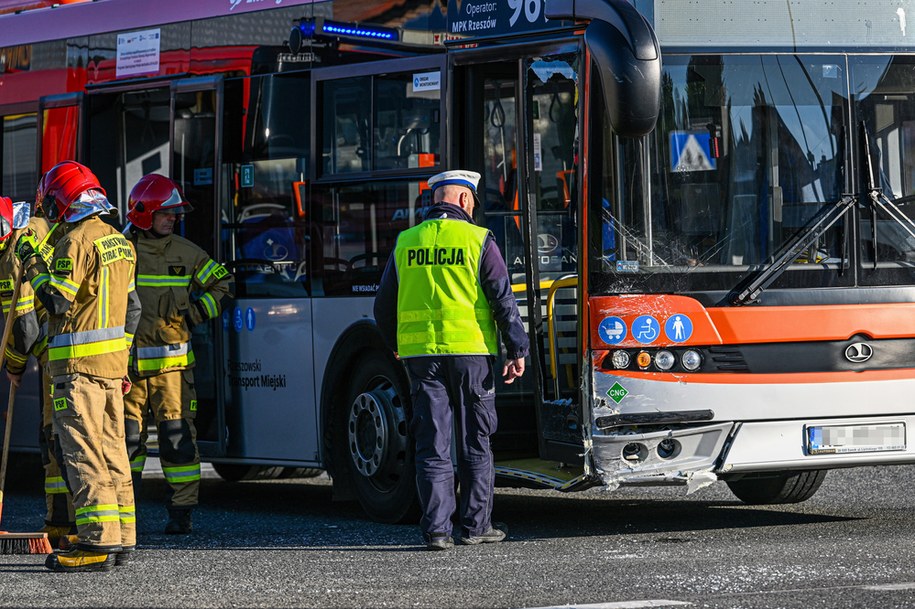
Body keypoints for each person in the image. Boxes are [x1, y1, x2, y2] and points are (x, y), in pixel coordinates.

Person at [373, 169, 529, 551]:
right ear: (463, 200)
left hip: (421, 357)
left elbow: (382, 306)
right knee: (476, 441)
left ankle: (437, 531)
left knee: (432, 442)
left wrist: (397, 343)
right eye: (472, 201)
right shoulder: (478, 240)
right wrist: (517, 349)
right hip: (472, 355)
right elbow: (502, 299)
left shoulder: (406, 242)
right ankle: (476, 526)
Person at [16, 160, 140, 572]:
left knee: (83, 452)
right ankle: (121, 538)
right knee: (113, 451)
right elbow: (133, 309)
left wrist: (32, 262)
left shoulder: (76, 242)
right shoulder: (121, 243)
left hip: (78, 368)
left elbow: (56, 302)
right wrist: (121, 362)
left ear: (63, 202)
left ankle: (94, 544)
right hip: (110, 366)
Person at [123, 174, 232, 535]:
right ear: (144, 215)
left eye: (175, 213)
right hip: (128, 369)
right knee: (128, 442)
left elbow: (222, 284)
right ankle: (125, 510)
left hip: (172, 371)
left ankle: (181, 511)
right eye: (166, 213)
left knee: (177, 438)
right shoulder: (123, 253)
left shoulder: (187, 252)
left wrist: (197, 313)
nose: (173, 219)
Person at [0, 197, 74, 545]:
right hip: (77, 343)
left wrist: (13, 365)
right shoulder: (38, 225)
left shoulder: (10, 260)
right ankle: (64, 523)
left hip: (57, 353)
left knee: (54, 438)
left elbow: (25, 328)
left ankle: (62, 525)